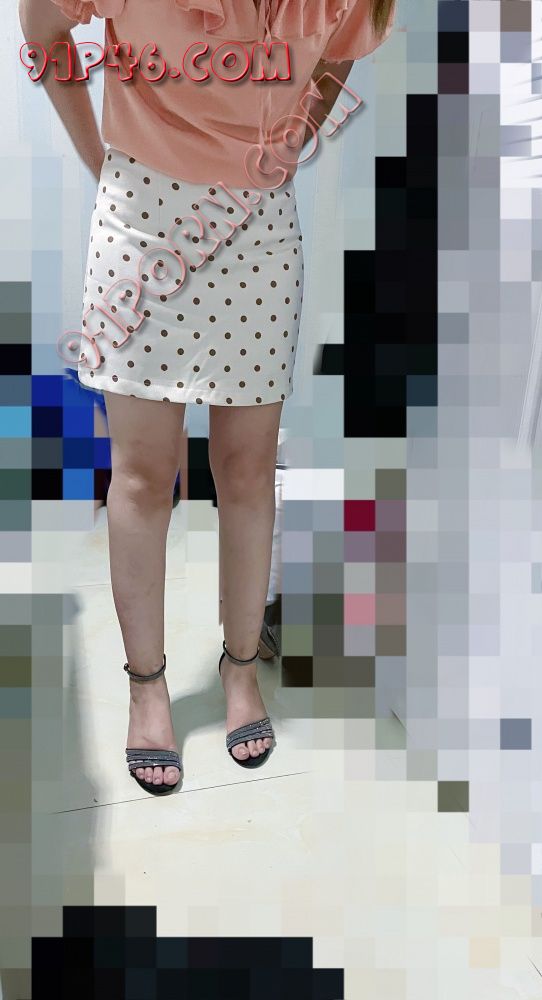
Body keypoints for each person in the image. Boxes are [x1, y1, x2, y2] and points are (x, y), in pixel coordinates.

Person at [19, 0, 396, 794]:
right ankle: (146, 684)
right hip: (141, 220)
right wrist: (100, 160)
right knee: (143, 476)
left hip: (257, 225)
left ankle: (240, 667)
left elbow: (341, 49)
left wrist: (296, 133)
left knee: (249, 471)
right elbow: (41, 25)